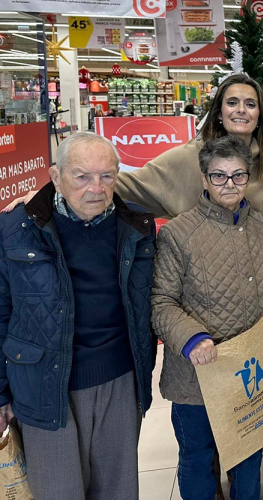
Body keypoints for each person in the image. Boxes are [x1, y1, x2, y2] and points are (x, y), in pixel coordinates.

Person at [0, 133, 157, 499]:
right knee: (58, 491)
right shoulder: (15, 228)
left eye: (106, 176)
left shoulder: (137, 227)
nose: (96, 188)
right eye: (82, 176)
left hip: (119, 378)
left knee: (118, 491)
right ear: (56, 177)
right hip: (44, 384)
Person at [151, 135, 263, 500]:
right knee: (197, 458)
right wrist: (192, 339)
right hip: (197, 376)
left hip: (251, 370)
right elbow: (161, 302)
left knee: (249, 456)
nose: (229, 184)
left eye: (238, 175)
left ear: (249, 177)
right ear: (204, 179)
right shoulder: (178, 234)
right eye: (219, 176)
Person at [2, 74, 263, 218]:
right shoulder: (187, 158)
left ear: (260, 115)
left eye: (250, 104)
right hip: (203, 282)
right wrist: (47, 192)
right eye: (232, 102)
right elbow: (124, 183)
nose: (241, 110)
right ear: (219, 111)